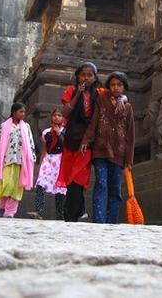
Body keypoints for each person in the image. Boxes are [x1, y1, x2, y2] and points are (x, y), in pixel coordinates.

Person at [81, 72, 135, 224]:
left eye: (119, 85)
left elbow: (130, 135)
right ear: (108, 86)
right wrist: (86, 140)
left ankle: (111, 221)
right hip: (100, 149)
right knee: (101, 184)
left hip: (119, 152)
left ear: (124, 87)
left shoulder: (127, 107)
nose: (116, 88)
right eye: (113, 85)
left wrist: (129, 160)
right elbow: (94, 122)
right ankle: (99, 220)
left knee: (115, 188)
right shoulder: (102, 101)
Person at [57, 62, 107, 222]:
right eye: (82, 75)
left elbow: (116, 96)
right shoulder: (71, 90)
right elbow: (65, 112)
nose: (85, 78)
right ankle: (73, 212)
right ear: (77, 76)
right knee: (71, 177)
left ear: (95, 77)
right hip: (72, 139)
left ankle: (72, 212)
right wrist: (78, 94)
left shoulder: (99, 93)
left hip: (88, 140)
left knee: (78, 176)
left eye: (89, 75)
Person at [0, 103, 35, 218]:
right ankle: (2, 206)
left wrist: (32, 158)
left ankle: (10, 212)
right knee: (6, 184)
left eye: (24, 112)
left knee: (16, 187)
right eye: (21, 112)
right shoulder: (4, 126)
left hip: (21, 161)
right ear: (14, 112)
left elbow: (30, 143)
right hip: (6, 160)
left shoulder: (26, 127)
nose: (23, 114)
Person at [28, 109, 67, 220]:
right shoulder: (46, 132)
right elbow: (44, 148)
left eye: (59, 115)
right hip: (49, 160)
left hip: (60, 160)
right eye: (54, 115)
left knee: (60, 188)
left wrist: (59, 133)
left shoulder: (65, 131)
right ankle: (38, 211)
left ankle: (60, 214)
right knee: (41, 183)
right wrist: (40, 163)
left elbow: (65, 145)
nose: (57, 117)